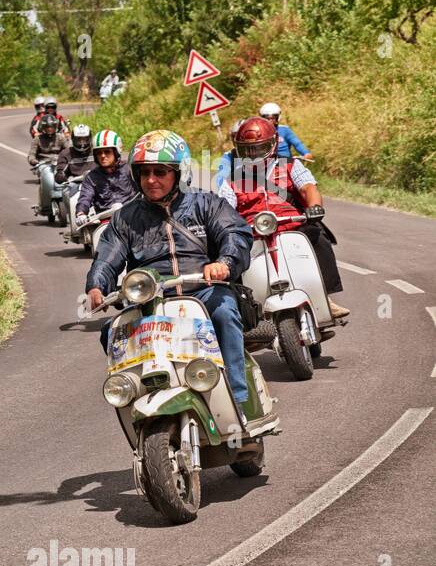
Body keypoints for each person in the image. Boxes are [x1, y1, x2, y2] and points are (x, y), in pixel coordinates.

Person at [85, 130, 256, 409]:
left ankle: (239, 400)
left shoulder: (206, 203)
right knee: (111, 332)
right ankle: (133, 397)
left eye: (160, 171)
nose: (151, 180)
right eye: (145, 172)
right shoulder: (125, 218)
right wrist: (96, 286)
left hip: (202, 292)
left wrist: (224, 263)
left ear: (179, 172)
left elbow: (235, 234)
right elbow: (107, 257)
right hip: (150, 302)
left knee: (225, 313)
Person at [228, 116, 350, 319]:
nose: (253, 154)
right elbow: (224, 206)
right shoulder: (232, 178)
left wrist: (315, 207)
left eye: (259, 148)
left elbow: (308, 187)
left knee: (319, 238)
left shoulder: (290, 166)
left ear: (273, 144)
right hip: (252, 231)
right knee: (230, 258)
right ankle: (245, 313)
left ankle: (325, 297)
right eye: (247, 150)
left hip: (292, 224)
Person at [74, 129, 134, 224]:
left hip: (132, 219)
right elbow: (85, 197)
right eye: (99, 153)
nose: (102, 156)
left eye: (107, 152)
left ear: (116, 152)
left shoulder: (130, 170)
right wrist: (81, 213)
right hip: (105, 223)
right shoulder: (91, 177)